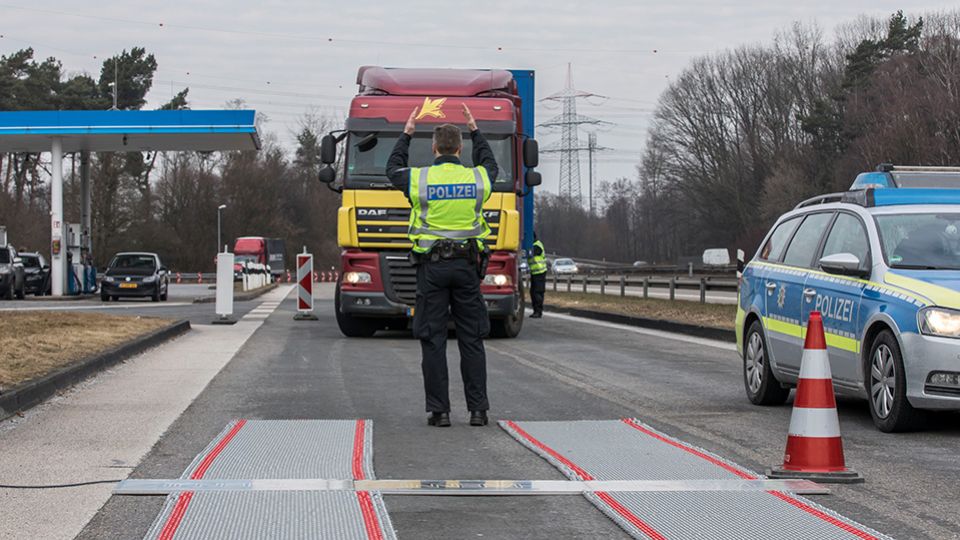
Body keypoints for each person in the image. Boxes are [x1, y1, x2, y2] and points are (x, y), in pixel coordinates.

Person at [386, 103, 498, 428]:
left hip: (431, 269)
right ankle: (478, 411)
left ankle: (440, 411)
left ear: (434, 147)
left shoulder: (419, 179)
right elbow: (491, 164)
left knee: (432, 339)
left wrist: (406, 134)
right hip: (466, 268)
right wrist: (476, 129)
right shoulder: (477, 179)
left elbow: (391, 169)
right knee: (471, 339)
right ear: (460, 148)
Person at [528, 233, 547, 318]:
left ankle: (538, 311)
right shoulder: (534, 245)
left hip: (540, 272)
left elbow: (531, 253)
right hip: (535, 273)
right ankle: (536, 311)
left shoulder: (537, 245)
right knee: (533, 292)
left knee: (537, 292)